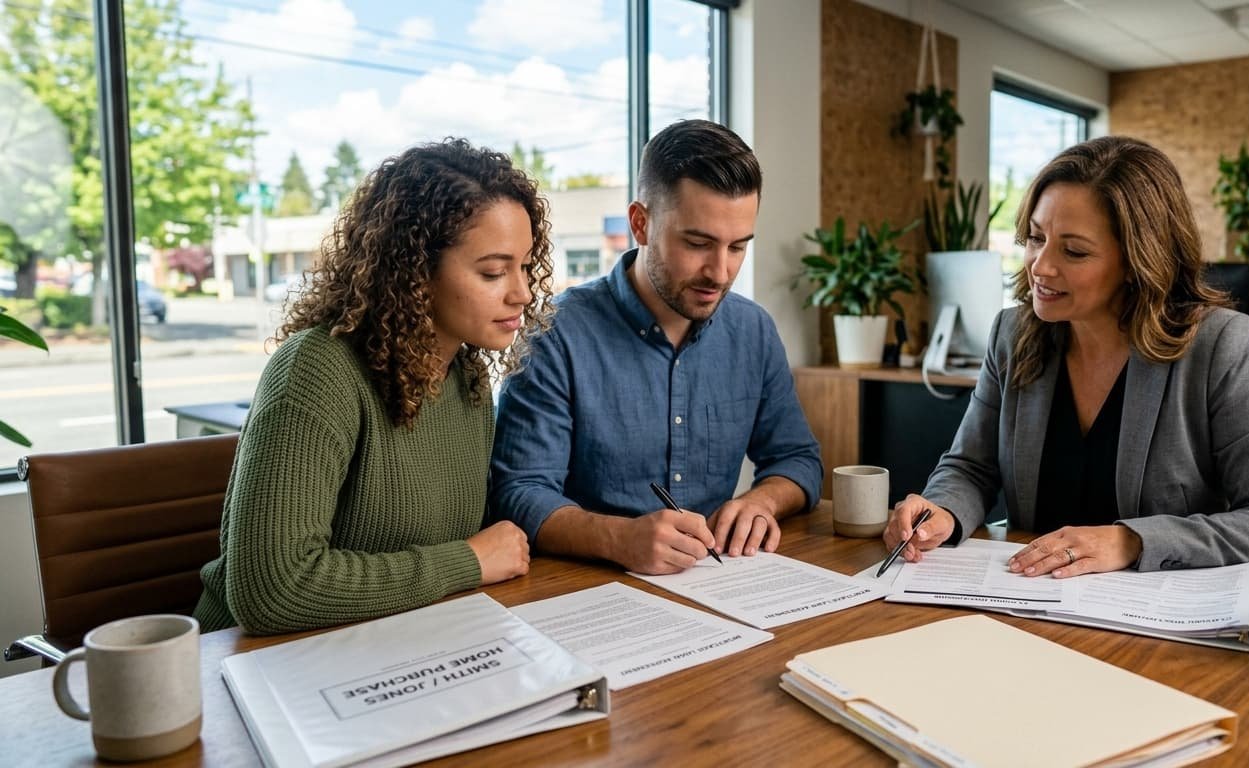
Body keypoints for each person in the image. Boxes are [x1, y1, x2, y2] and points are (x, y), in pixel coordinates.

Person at [884, 135, 1249, 576]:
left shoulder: (1219, 345)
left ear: (1139, 260)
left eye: (1074, 251)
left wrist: (1132, 541)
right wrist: (941, 511)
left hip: (1152, 621)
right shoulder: (1012, 334)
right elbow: (970, 468)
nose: (1040, 265)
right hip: (1030, 600)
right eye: (1036, 237)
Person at [193, 139, 553, 634]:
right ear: (414, 272)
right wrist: (467, 562)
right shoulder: (318, 370)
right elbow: (272, 590)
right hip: (253, 664)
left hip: (391, 642)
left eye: (526, 266)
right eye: (493, 271)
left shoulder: (466, 377)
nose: (523, 291)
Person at [491, 119, 821, 575]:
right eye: (698, 243)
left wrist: (762, 501)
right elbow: (519, 490)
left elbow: (797, 459)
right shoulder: (556, 333)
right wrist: (619, 538)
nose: (720, 272)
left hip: (716, 583)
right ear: (640, 224)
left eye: (737, 247)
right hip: (584, 588)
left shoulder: (753, 332)